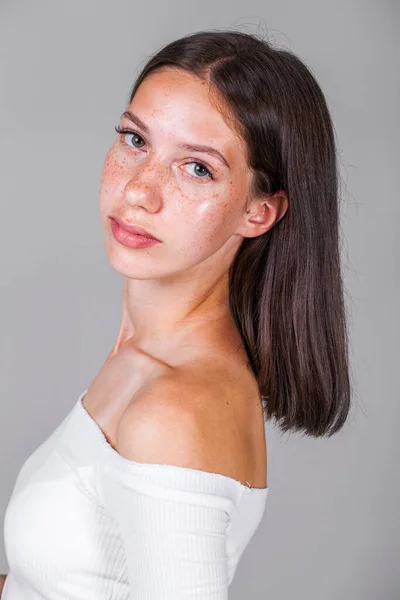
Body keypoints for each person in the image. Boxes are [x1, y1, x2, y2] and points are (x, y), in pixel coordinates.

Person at [1, 28, 351, 599]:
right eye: (136, 140)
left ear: (258, 212)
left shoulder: (175, 409)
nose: (140, 190)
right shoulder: (143, 358)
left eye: (197, 169)